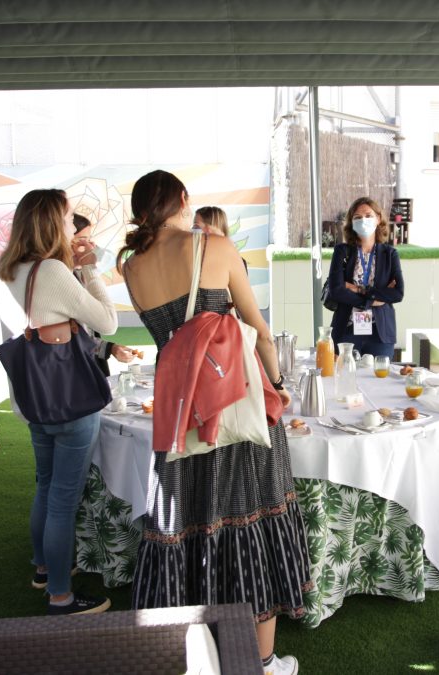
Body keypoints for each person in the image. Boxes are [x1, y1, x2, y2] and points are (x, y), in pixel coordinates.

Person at [120, 170, 310, 675]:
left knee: (188, 528)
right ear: (183, 200)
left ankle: (195, 654)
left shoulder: (132, 268)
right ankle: (263, 662)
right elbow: (260, 332)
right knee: (254, 523)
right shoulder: (214, 247)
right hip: (235, 410)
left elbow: (170, 340)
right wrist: (280, 382)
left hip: (179, 417)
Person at [0, 189, 117, 616]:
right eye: (67, 218)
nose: (72, 225)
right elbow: (107, 320)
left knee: (45, 486)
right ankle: (62, 596)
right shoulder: (53, 270)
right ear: (51, 222)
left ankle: (44, 568)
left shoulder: (13, 266)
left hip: (36, 394)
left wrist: (73, 267)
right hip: (69, 397)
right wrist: (90, 271)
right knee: (64, 498)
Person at [326, 197, 405, 358]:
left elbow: (397, 293)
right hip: (346, 331)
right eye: (357, 217)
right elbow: (336, 291)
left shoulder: (390, 254)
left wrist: (356, 288)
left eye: (368, 215)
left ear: (378, 219)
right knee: (343, 378)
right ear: (351, 223)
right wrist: (373, 299)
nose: (363, 220)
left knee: (380, 380)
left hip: (380, 333)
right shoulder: (342, 251)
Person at [70, 213, 136, 377]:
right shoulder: (62, 278)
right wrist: (89, 268)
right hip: (73, 371)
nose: (91, 246)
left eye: (90, 240)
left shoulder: (76, 274)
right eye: (82, 240)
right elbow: (107, 324)